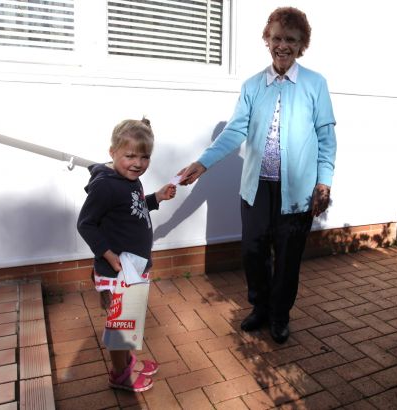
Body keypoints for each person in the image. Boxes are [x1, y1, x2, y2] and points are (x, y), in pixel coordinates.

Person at [179, 7, 337, 344]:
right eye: (277, 37)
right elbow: (236, 130)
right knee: (253, 251)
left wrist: (323, 183)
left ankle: (280, 315)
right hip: (257, 189)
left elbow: (327, 139)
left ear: (301, 45)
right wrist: (203, 163)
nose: (283, 45)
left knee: (288, 258)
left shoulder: (315, 84)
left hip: (297, 191)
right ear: (267, 39)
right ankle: (261, 308)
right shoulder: (253, 85)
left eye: (291, 40)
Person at [77, 117, 176, 392]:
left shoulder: (129, 180)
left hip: (133, 267)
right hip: (117, 270)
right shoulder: (106, 186)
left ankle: (127, 361)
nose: (137, 163)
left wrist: (156, 197)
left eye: (144, 157)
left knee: (128, 319)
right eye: (130, 156)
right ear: (112, 153)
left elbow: (134, 208)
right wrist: (108, 255)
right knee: (120, 323)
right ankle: (120, 374)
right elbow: (85, 224)